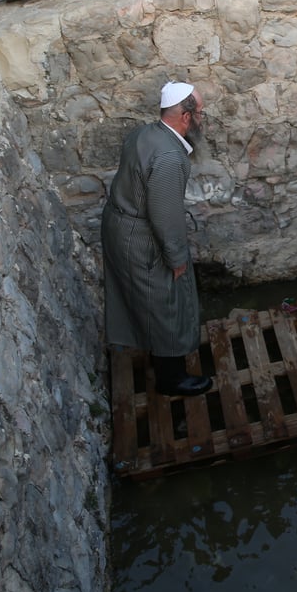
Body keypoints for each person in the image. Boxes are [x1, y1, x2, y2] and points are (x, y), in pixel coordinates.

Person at [102, 81, 213, 396]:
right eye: (201, 113)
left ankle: (160, 361)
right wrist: (176, 257)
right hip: (140, 236)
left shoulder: (144, 134)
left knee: (150, 299)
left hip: (121, 225)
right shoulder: (168, 157)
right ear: (187, 117)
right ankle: (171, 379)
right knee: (166, 300)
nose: (203, 120)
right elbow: (165, 215)